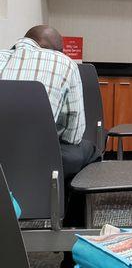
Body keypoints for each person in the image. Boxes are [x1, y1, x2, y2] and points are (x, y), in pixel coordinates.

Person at [0, 26, 99, 268]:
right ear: (54, 48)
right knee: (88, 151)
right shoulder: (63, 63)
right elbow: (74, 132)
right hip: (38, 162)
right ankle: (71, 244)